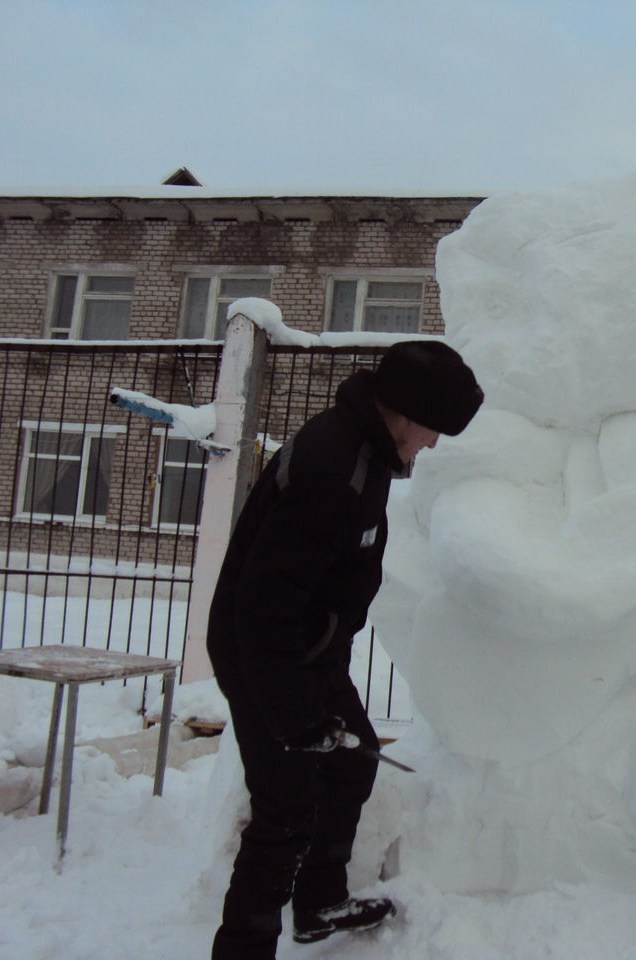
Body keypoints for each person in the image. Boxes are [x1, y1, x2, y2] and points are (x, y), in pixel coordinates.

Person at [206, 340, 484, 960]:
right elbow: (262, 608)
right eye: (435, 428)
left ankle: (320, 903)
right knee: (284, 813)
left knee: (353, 759)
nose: (434, 443)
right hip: (263, 654)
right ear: (408, 413)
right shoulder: (334, 469)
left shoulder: (366, 451)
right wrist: (295, 714)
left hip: (309, 648)